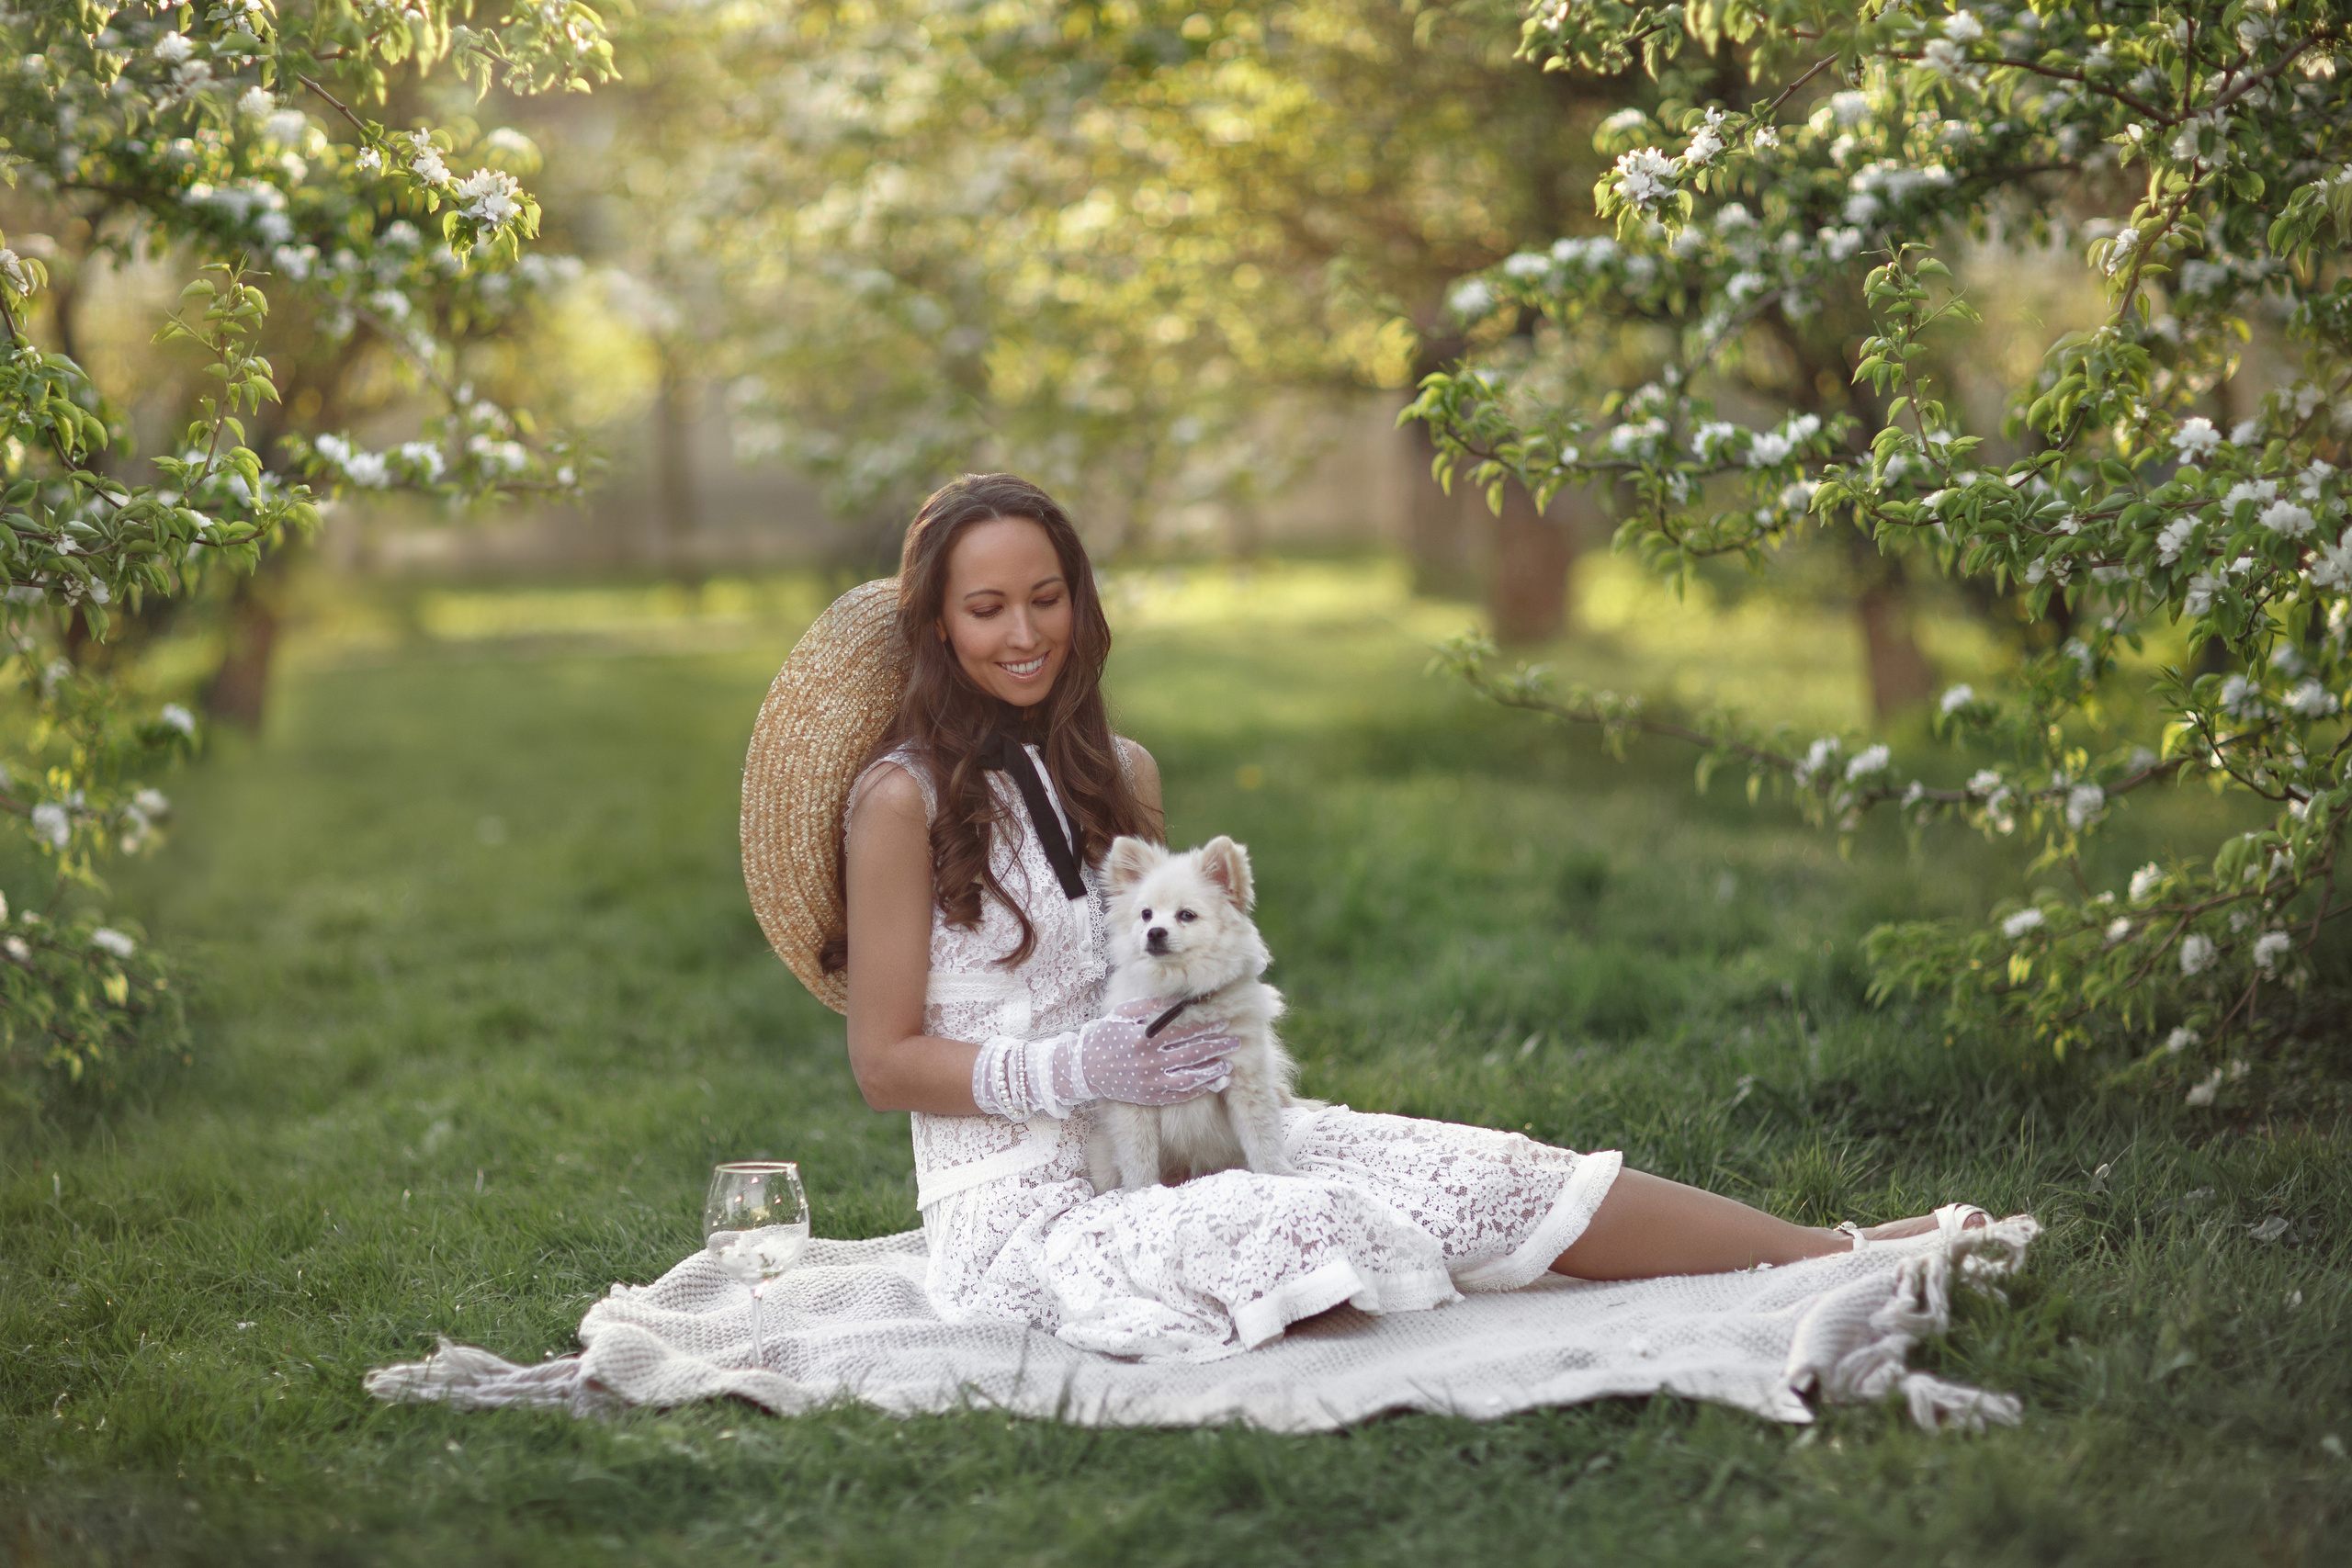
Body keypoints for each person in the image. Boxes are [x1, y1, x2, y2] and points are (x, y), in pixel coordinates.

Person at [750, 472, 1988, 1362]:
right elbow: (884, 1063)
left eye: (1046, 597)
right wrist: (1078, 1062)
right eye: (986, 610)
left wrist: (1210, 1001)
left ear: (1080, 602)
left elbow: (1175, 969)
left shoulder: (1119, 774)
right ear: (937, 623)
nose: (1023, 633)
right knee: (1304, 1224)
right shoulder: (898, 800)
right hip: (1024, 1204)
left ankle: (1844, 1249)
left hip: (1188, 1132)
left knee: (1475, 1168)